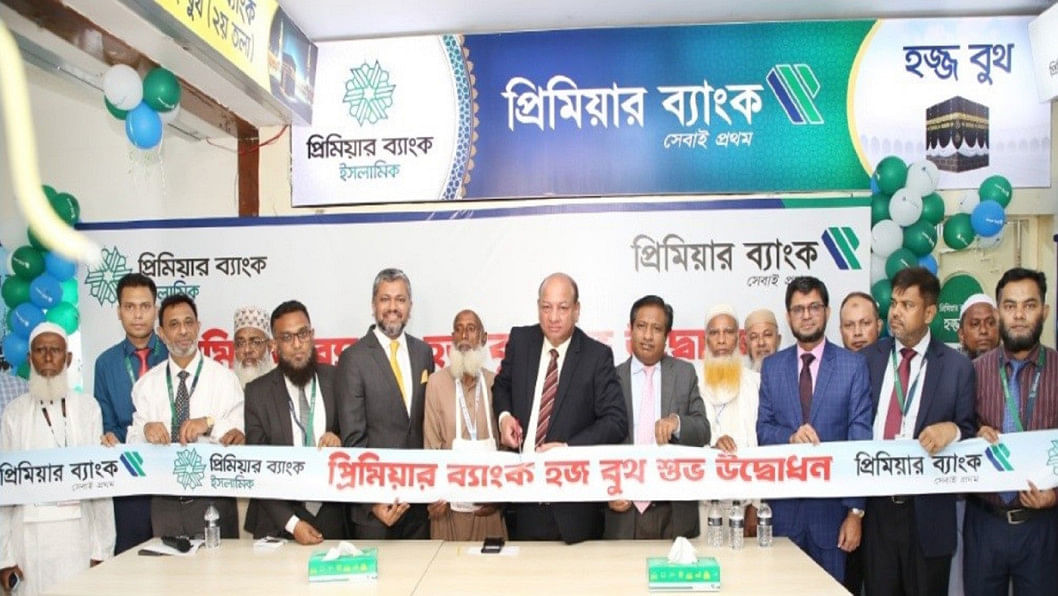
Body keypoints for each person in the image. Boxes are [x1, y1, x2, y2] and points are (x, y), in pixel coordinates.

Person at [859, 267, 975, 595]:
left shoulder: (957, 367)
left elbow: (971, 429)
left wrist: (952, 430)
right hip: (877, 510)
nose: (896, 312)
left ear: (930, 313)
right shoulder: (867, 360)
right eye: (894, 303)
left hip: (928, 514)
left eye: (907, 305)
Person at [493, 272, 626, 544]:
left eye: (563, 308)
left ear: (576, 310)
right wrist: (504, 417)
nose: (553, 317)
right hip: (522, 499)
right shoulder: (520, 341)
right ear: (538, 307)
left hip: (572, 507)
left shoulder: (596, 356)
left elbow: (615, 421)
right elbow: (502, 386)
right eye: (546, 307)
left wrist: (568, 449)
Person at [756, 276, 872, 582]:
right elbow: (763, 431)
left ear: (827, 312)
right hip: (783, 516)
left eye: (814, 307)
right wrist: (790, 437)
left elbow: (860, 441)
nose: (806, 316)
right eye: (798, 309)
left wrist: (855, 512)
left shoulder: (852, 366)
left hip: (831, 517)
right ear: (788, 316)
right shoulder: (772, 367)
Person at [0, 323, 114, 595]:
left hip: (77, 536)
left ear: (69, 358)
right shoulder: (14, 413)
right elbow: (4, 489)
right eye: (40, 350)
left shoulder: (88, 408)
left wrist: (103, 549)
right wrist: (4, 558)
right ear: (30, 358)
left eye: (56, 350)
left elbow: (100, 483)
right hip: (28, 539)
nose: (48, 357)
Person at [966, 268, 1058, 596]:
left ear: (1044, 311)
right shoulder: (972, 373)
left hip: (1042, 527)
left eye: (1029, 305)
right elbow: (956, 433)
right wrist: (971, 440)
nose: (1019, 315)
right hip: (984, 524)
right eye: (1010, 306)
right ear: (998, 313)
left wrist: (1055, 495)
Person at [127, 294, 245, 539]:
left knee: (221, 564)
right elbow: (132, 446)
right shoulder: (146, 385)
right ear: (161, 333)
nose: (183, 331)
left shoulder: (224, 379)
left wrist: (209, 424)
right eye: (174, 324)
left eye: (188, 322)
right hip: (164, 502)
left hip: (214, 498)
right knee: (168, 564)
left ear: (198, 327)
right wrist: (145, 431)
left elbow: (240, 436)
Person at [336, 268, 436, 539]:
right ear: (373, 305)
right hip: (376, 512)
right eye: (385, 299)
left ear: (410, 306)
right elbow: (353, 440)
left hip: (418, 505)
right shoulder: (353, 358)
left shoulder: (423, 353)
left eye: (400, 300)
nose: (393, 307)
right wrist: (371, 503)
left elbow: (426, 427)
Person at [604, 295, 709, 540]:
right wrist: (604, 491)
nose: (648, 336)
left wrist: (677, 423)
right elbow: (597, 440)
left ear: (667, 335)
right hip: (624, 512)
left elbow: (703, 429)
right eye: (641, 326)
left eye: (657, 329)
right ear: (631, 330)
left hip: (674, 511)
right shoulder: (610, 378)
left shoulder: (684, 373)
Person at [244, 300, 347, 543]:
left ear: (312, 335)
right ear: (274, 345)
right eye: (287, 338)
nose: (297, 344)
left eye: (303, 334)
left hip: (333, 513)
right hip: (278, 521)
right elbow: (257, 467)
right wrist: (292, 523)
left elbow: (357, 436)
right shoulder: (257, 393)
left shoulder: (337, 378)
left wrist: (340, 440)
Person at [94, 272, 168, 554]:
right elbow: (107, 423)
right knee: (131, 562)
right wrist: (110, 437)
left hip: (170, 478)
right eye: (129, 307)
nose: (138, 315)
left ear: (155, 310)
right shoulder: (105, 363)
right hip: (128, 481)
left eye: (145, 306)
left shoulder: (174, 354)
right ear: (119, 312)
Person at [423, 309, 507, 541]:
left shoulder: (496, 383)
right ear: (452, 337)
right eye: (458, 329)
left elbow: (505, 449)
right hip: (448, 510)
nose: (464, 336)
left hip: (488, 508)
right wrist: (435, 496)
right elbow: (431, 447)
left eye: (471, 329)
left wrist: (500, 498)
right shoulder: (436, 383)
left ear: (483, 337)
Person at [700, 304, 760, 536]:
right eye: (715, 333)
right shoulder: (692, 380)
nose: (722, 340)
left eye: (728, 332)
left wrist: (756, 505)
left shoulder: (755, 382)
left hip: (743, 503)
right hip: (703, 502)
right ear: (706, 339)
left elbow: (761, 444)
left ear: (738, 338)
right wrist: (712, 445)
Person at [232, 305, 275, 388]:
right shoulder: (225, 385)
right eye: (240, 343)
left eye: (255, 342)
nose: (247, 350)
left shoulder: (281, 386)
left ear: (269, 347)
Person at [957, 293, 999, 360]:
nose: (983, 330)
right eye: (975, 324)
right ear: (961, 335)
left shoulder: (1012, 363)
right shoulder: (951, 365)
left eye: (990, 323)